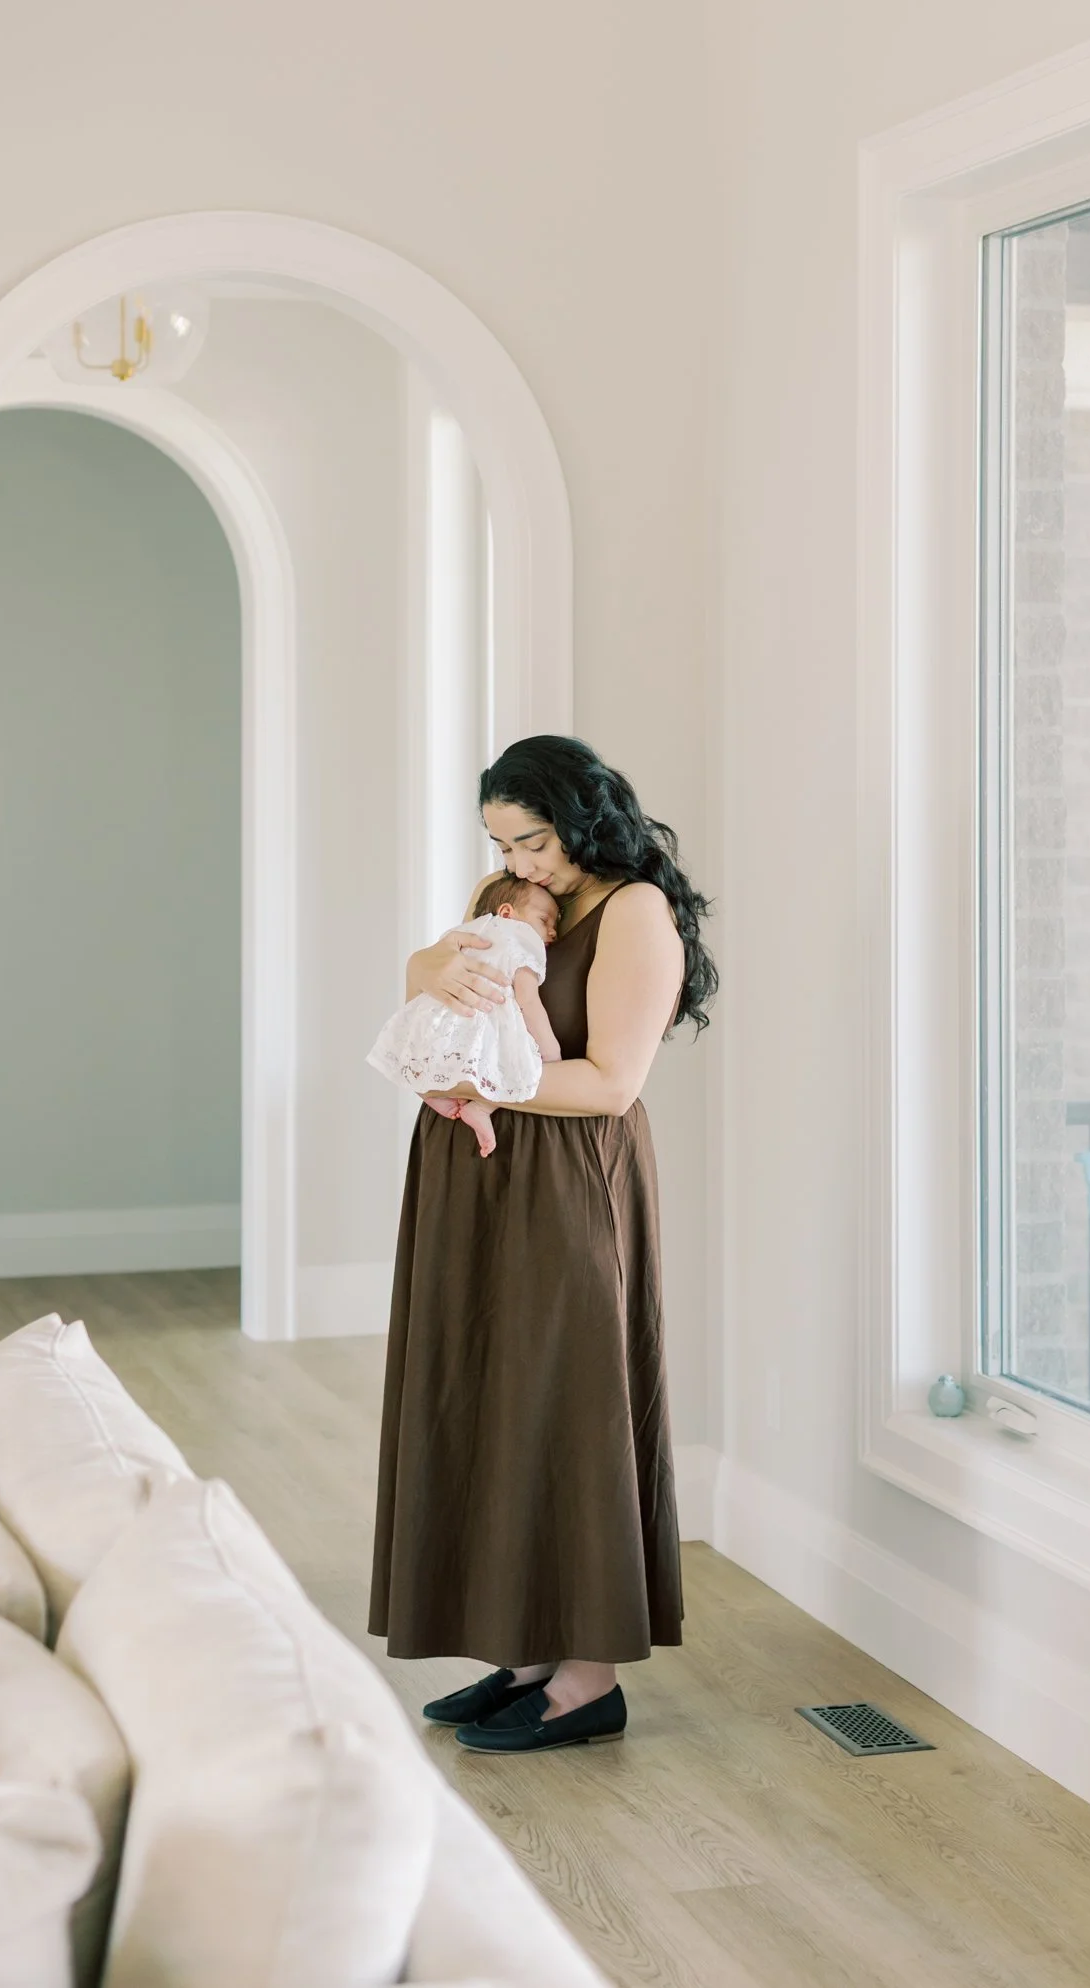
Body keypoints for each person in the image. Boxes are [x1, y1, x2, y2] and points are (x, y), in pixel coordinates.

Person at [369, 735, 715, 1755]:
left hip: (566, 1183)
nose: (517, 862)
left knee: (566, 1406)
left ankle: (587, 1679)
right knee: (491, 1399)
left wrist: (467, 1082)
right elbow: (431, 967)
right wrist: (430, 969)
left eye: (531, 840)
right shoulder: (515, 902)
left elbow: (610, 1084)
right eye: (501, 845)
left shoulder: (633, 911)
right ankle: (522, 1651)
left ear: (582, 819)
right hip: (480, 1179)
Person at [364, 872, 562, 1156]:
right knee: (514, 1067)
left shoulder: (469, 931)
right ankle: (481, 1108)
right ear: (507, 913)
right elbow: (528, 1000)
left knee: (419, 1058)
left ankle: (429, 1093)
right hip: (486, 1014)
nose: (553, 931)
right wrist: (550, 1049)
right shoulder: (520, 939)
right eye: (544, 920)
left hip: (440, 1015)